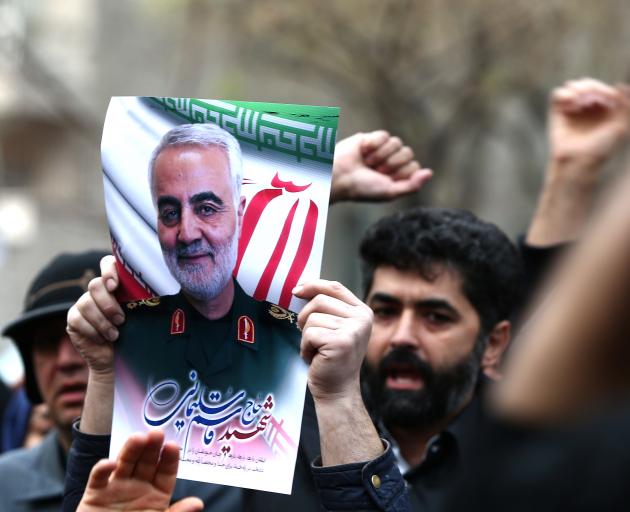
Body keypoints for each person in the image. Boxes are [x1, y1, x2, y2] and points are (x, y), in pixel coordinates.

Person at [63, 128, 429, 511]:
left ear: (241, 211)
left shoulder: (296, 345)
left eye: (206, 208)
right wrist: (106, 374)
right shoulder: (135, 336)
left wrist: (339, 396)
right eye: (170, 212)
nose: (187, 233)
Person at [0, 250, 107, 512]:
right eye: (48, 342)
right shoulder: (5, 488)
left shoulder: (212, 485)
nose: (66, 361)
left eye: (92, 336)